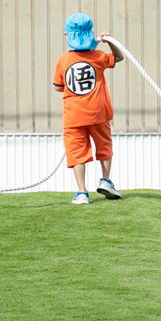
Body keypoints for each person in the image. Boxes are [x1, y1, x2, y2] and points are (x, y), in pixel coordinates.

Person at [51, 13, 124, 204]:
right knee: (104, 146)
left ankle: (82, 192)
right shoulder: (99, 56)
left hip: (74, 115)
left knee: (77, 152)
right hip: (98, 112)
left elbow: (59, 87)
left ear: (68, 34)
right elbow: (119, 57)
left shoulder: (63, 60)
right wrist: (108, 41)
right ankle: (106, 180)